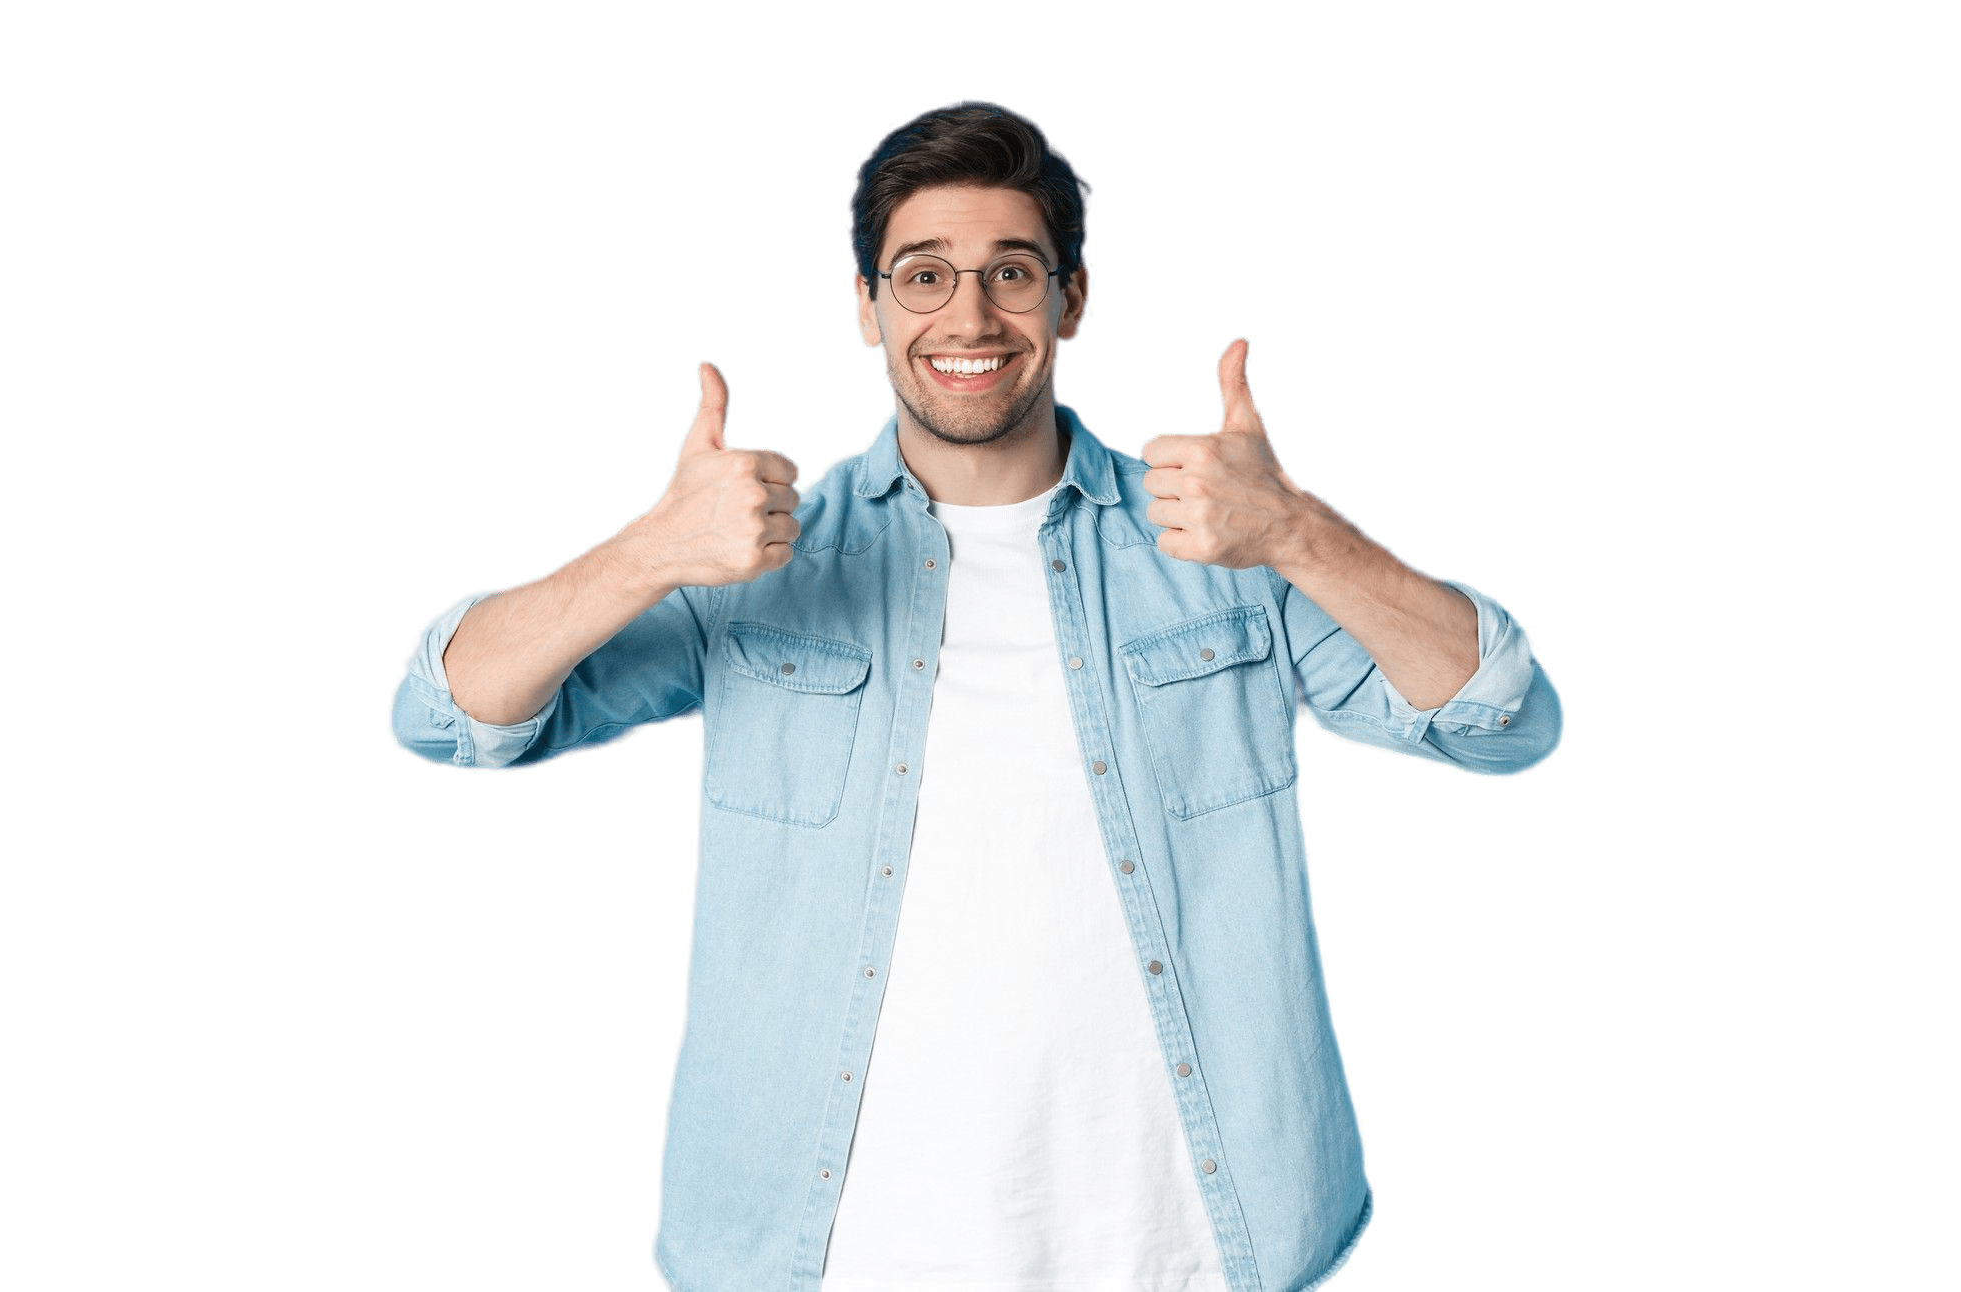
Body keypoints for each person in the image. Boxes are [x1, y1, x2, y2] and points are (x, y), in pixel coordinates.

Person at [387, 99, 1566, 1292]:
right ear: (864, 307)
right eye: (922, 275)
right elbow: (448, 714)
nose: (968, 316)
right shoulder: (761, 555)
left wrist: (1301, 532)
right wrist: (649, 550)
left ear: (1072, 298)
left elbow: (1503, 719)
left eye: (1011, 271)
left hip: (1190, 1246)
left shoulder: (1211, 546)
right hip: (833, 1254)